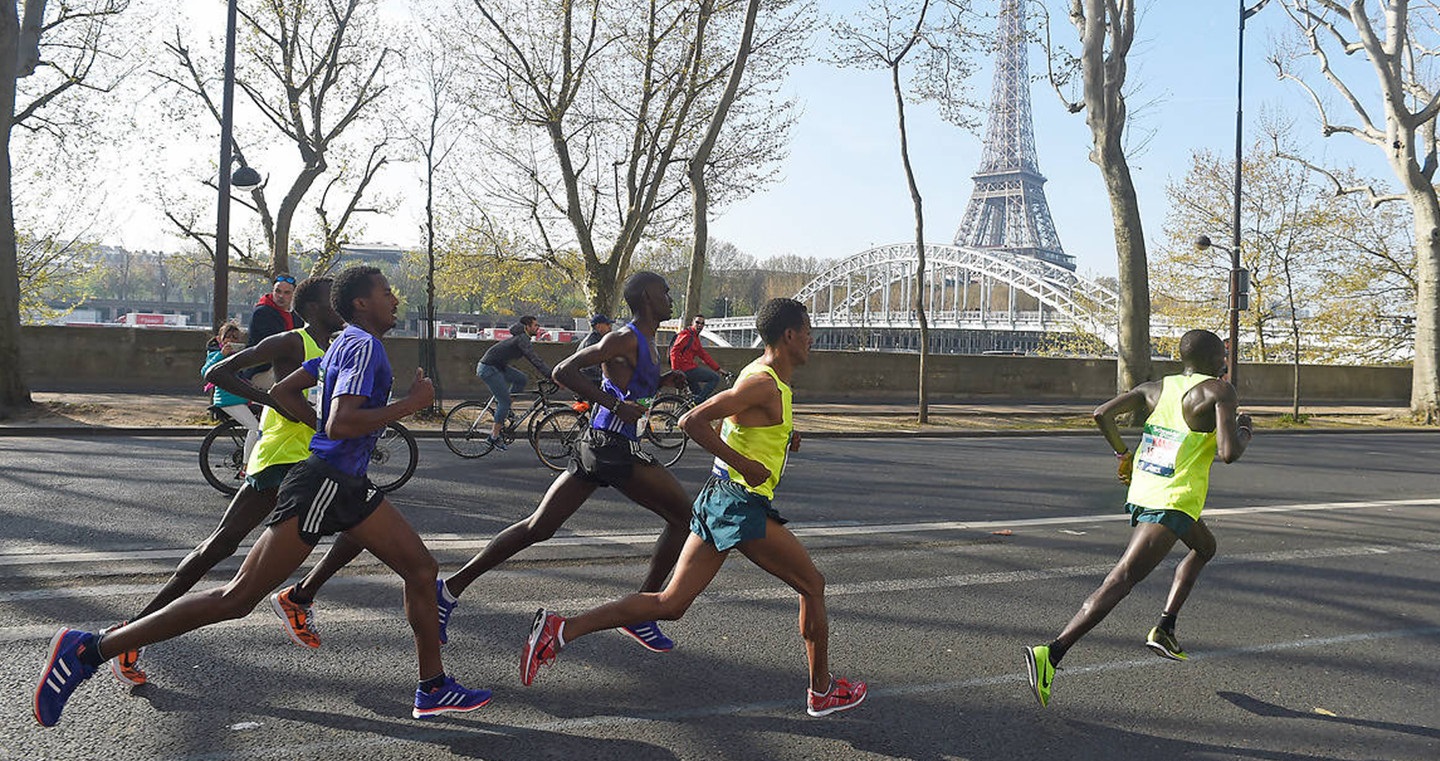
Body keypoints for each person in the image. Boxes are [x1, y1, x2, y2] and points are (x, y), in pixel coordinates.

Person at [34, 266, 491, 727]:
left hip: (344, 483)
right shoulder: (362, 345)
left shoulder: (341, 345)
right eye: (387, 292)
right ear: (361, 303)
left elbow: (283, 389)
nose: (395, 300)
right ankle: (90, 649)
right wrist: (409, 406)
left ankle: (432, 687)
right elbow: (341, 423)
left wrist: (317, 424)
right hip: (326, 483)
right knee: (236, 598)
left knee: (421, 567)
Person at [518, 298, 869, 719]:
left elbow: (735, 423)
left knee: (671, 603)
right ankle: (822, 690)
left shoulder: (760, 375)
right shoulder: (763, 384)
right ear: (790, 336)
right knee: (812, 584)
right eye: (808, 331)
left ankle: (561, 630)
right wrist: (745, 464)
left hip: (721, 499)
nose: (812, 338)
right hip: (739, 503)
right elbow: (693, 422)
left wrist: (781, 439)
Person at [100, 277, 354, 688]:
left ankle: (298, 597)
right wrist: (275, 401)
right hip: (284, 457)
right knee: (222, 545)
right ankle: (129, 635)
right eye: (331, 299)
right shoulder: (292, 341)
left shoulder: (341, 346)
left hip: (316, 458)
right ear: (312, 308)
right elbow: (218, 371)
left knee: (360, 526)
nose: (339, 305)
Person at [434, 272, 692, 653]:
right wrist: (615, 405)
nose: (671, 297)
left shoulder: (650, 342)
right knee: (684, 517)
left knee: (539, 527)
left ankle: (448, 590)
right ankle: (642, 611)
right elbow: (563, 371)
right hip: (611, 446)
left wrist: (665, 380)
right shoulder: (623, 337)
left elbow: (629, 384)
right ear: (648, 298)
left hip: (599, 444)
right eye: (665, 292)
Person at [1023, 329, 1253, 708]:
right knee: (1122, 578)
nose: (1226, 363)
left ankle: (1165, 628)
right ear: (1215, 360)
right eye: (1223, 357)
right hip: (1172, 500)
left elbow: (1102, 414)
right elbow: (1229, 452)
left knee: (1205, 547)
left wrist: (1122, 454)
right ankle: (1052, 652)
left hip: (1148, 490)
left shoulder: (1155, 388)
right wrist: (1244, 429)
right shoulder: (1219, 392)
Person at [475, 316, 553, 449]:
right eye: (535, 325)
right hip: (488, 368)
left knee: (521, 379)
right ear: (527, 327)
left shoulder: (523, 338)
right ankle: (493, 437)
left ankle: (506, 409)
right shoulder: (522, 339)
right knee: (504, 401)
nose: (538, 327)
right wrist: (551, 375)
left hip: (498, 366)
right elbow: (534, 359)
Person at [202, 321, 260, 464]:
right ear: (220, 339)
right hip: (228, 400)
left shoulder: (237, 355)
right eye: (228, 337)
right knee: (255, 428)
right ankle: (246, 465)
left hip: (241, 398)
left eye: (235, 338)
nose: (232, 340)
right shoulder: (215, 354)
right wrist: (221, 355)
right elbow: (205, 371)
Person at [244, 273, 304, 386]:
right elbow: (278, 344)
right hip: (262, 370)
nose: (281, 296)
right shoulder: (262, 312)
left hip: (285, 366)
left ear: (293, 294)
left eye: (286, 293)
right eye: (278, 291)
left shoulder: (296, 315)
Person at [669, 313, 725, 404]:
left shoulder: (694, 337)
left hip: (687, 370)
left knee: (698, 398)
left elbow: (703, 355)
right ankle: (697, 402)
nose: (700, 325)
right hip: (686, 370)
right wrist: (675, 371)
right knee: (714, 378)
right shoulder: (686, 335)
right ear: (692, 323)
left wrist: (718, 369)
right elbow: (674, 352)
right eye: (697, 322)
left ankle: (690, 411)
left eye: (702, 323)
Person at [576, 314, 614, 387]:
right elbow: (591, 368)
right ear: (598, 326)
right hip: (589, 382)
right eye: (607, 324)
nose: (610, 327)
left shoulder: (598, 339)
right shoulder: (592, 342)